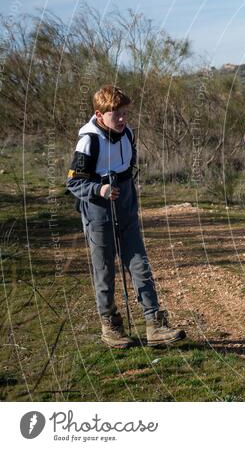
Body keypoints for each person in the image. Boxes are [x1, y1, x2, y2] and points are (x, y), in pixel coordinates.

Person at [67, 85, 186, 349]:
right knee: (105, 269)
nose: (122, 119)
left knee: (139, 263)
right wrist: (98, 189)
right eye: (116, 114)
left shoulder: (128, 133)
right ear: (99, 114)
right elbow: (73, 183)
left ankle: (155, 324)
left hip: (126, 203)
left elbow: (128, 166)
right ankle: (110, 326)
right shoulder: (88, 141)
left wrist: (128, 189)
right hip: (98, 209)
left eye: (124, 113)